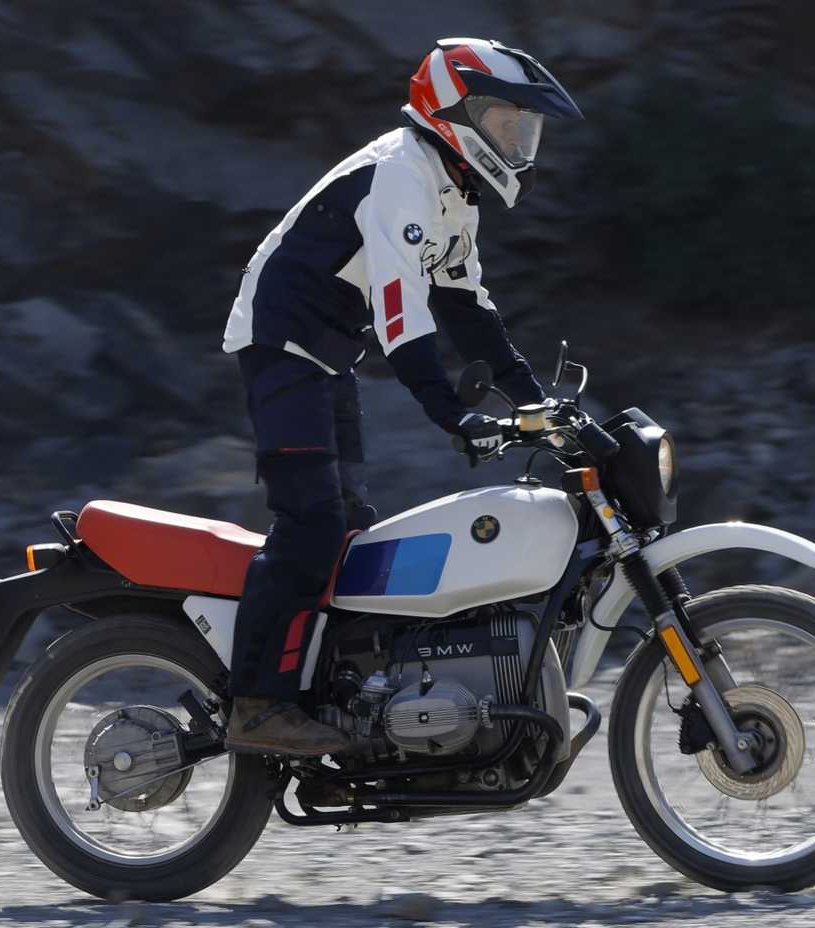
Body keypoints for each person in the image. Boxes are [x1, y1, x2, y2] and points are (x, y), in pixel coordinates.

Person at [219, 37, 584, 754]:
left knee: (355, 530)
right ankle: (255, 704)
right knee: (312, 525)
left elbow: (467, 309)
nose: (521, 143)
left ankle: (335, 693)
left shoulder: (452, 194)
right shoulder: (400, 174)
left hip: (328, 357)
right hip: (280, 347)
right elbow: (402, 313)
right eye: (510, 124)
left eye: (526, 131)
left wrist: (536, 402)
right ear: (455, 112)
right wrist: (450, 413)